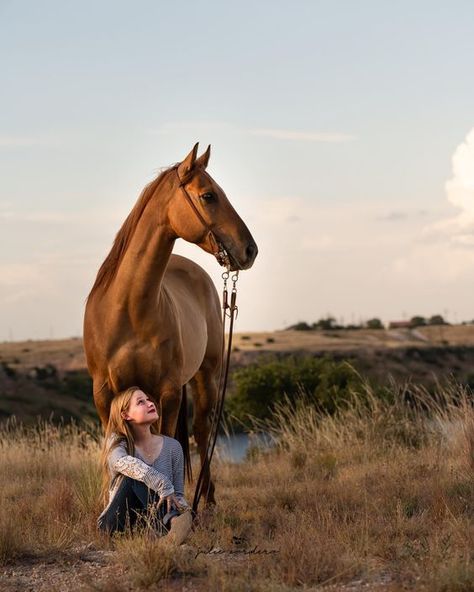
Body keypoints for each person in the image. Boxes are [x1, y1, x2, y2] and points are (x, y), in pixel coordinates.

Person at [97, 385, 193, 545]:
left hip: (153, 521)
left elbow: (177, 494)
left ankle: (169, 533)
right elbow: (124, 463)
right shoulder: (117, 443)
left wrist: (186, 513)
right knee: (134, 476)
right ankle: (172, 523)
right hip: (116, 525)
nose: (150, 403)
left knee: (178, 508)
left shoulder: (173, 447)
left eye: (149, 400)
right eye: (141, 402)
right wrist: (162, 483)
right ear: (125, 415)